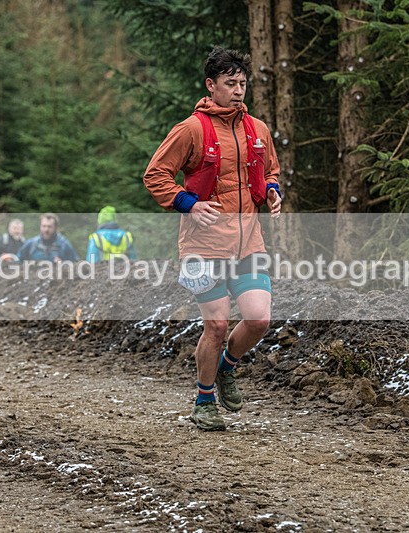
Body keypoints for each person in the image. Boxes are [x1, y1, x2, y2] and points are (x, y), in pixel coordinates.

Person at [143, 47, 282, 431]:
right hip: (203, 246)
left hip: (248, 242)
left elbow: (271, 170)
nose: (239, 90)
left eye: (242, 83)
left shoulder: (258, 129)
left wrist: (272, 191)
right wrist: (188, 203)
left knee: (258, 318)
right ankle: (204, 401)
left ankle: (226, 369)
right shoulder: (191, 129)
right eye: (230, 83)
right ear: (211, 85)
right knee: (217, 327)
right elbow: (155, 175)